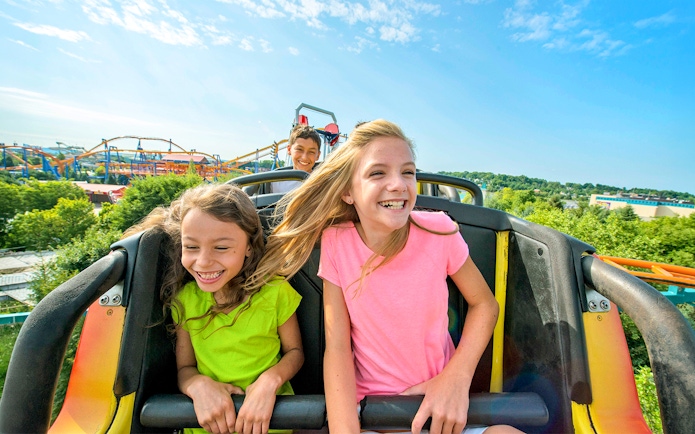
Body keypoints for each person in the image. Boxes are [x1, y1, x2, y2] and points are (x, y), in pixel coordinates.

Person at [249, 120, 523, 434]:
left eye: (408, 172)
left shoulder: (439, 231)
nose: (398, 184)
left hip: (441, 409)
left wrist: (454, 380)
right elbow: (337, 347)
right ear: (348, 192)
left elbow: (484, 305)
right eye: (378, 173)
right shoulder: (337, 242)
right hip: (375, 416)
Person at [124, 183, 304, 434]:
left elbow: (295, 352)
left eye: (220, 247)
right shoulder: (186, 300)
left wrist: (269, 382)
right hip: (205, 427)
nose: (204, 261)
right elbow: (185, 368)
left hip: (269, 423)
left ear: (249, 247)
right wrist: (197, 386)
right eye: (192, 247)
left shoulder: (275, 292)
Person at [270, 124, 322, 193]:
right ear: (289, 150)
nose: (304, 157)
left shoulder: (322, 184)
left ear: (318, 155)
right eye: (299, 149)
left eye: (311, 152)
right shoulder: (275, 182)